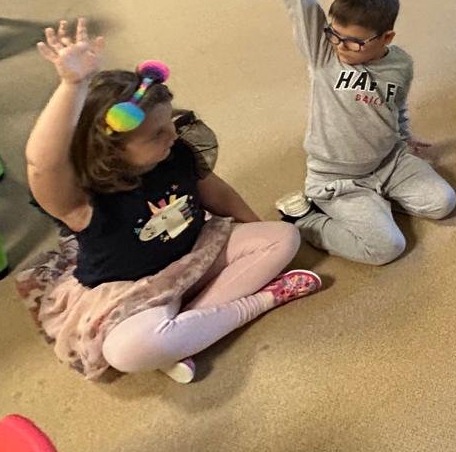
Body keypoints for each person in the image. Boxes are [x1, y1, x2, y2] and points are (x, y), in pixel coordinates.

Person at [22, 19, 321, 383]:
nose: (173, 136)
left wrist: (257, 235)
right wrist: (72, 85)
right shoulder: (81, 200)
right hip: (131, 294)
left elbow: (219, 194)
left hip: (196, 256)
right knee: (128, 351)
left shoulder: (175, 152)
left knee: (284, 237)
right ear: (111, 149)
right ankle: (260, 302)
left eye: (170, 125)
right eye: (156, 134)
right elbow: (42, 165)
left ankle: (185, 331)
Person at [252, 0, 456, 265]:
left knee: (444, 203)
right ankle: (307, 218)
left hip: (389, 161)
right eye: (335, 34)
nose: (340, 45)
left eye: (354, 41)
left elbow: (396, 106)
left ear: (386, 38)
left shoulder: (401, 64)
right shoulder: (323, 54)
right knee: (386, 248)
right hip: (337, 178)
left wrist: (405, 136)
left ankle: (379, 201)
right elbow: (300, 2)